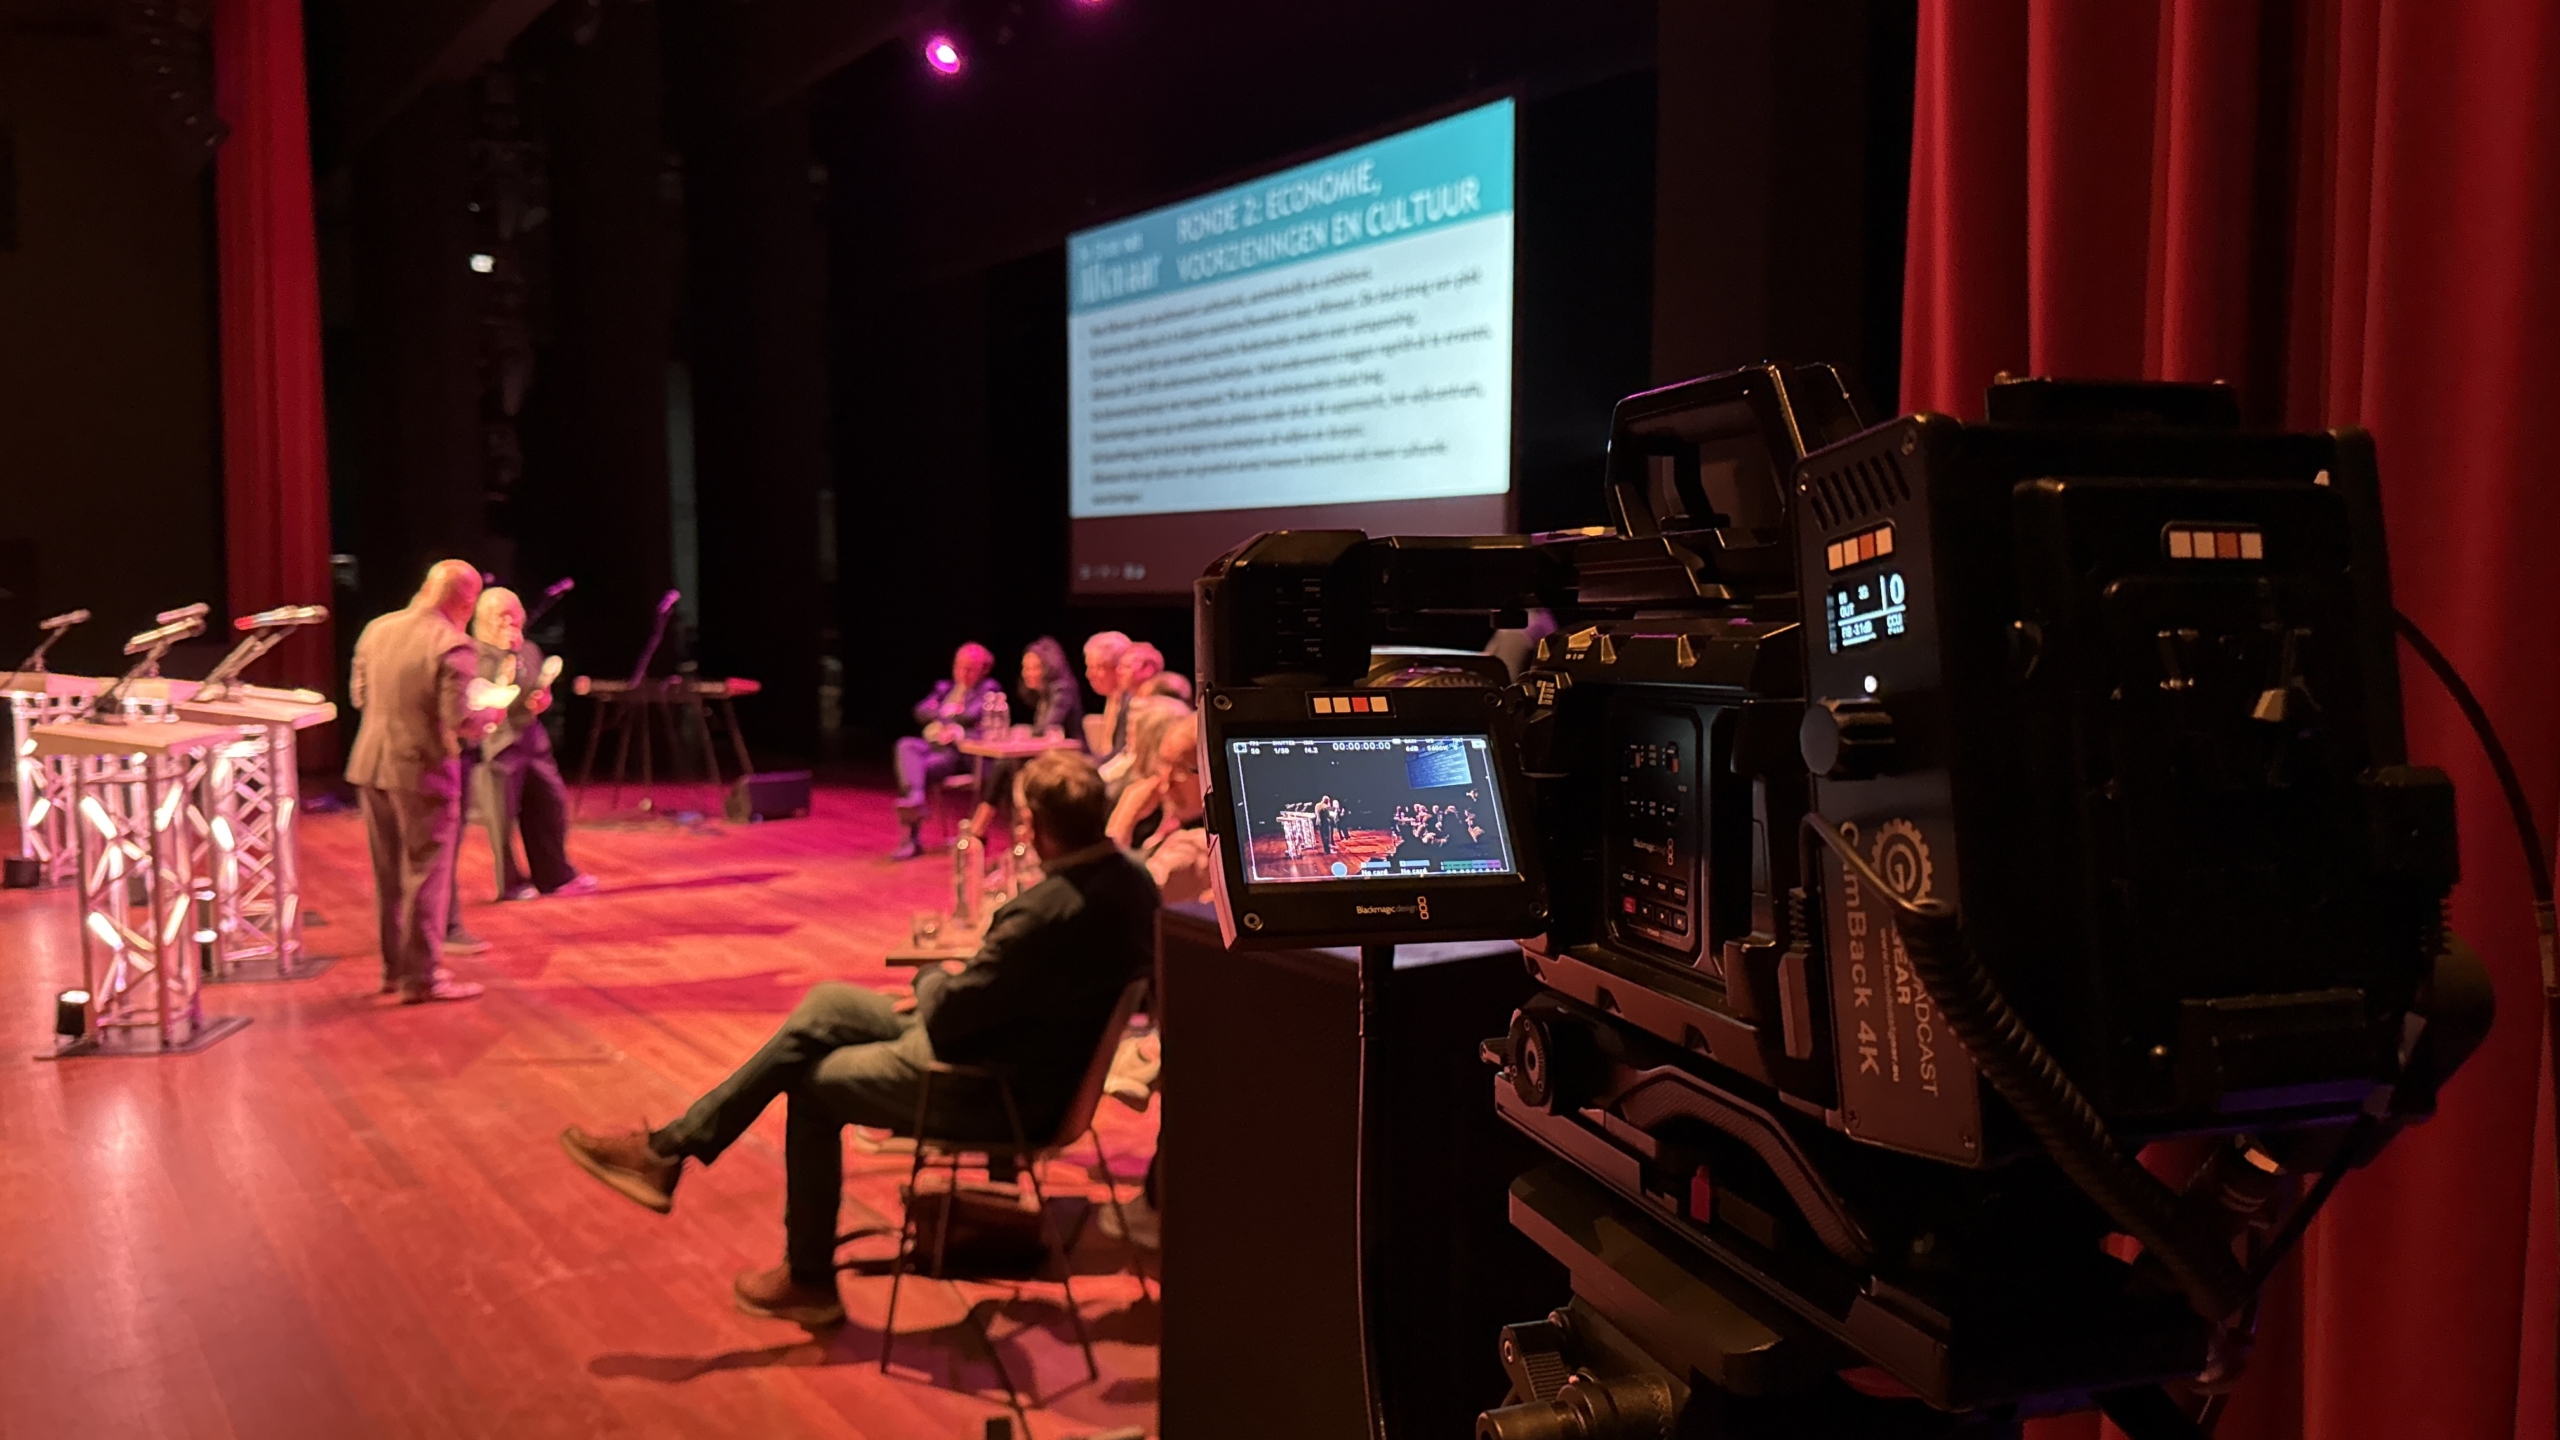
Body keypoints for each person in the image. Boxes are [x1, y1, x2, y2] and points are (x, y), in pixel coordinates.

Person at [559, 751, 1158, 1326]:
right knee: (828, 1003)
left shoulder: (1042, 914)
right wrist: (951, 989)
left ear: (1031, 822)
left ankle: (808, 1280)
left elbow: (949, 1014)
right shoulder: (1132, 884)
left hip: (993, 1086)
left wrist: (930, 975)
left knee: (817, 1086)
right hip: (1016, 1053)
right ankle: (670, 1149)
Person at [346, 560, 506, 1004]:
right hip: (421, 771)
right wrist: (493, 713)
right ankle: (423, 978)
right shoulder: (453, 645)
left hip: (370, 764)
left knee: (389, 873)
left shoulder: (377, 630)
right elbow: (462, 721)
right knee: (425, 871)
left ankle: (394, 972)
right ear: (466, 601)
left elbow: (360, 696)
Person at [472, 586, 597, 902]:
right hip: (497, 744)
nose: (509, 624)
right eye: (502, 617)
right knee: (501, 818)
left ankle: (554, 875)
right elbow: (487, 693)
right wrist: (505, 658)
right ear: (484, 619)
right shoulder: (475, 653)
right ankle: (510, 883)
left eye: (514, 616)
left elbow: (531, 693)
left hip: (531, 740)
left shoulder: (529, 649)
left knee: (551, 804)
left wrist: (542, 698)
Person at [964, 636, 1088, 840]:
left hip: (1073, 756)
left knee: (1009, 763)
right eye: (1025, 667)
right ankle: (1009, 833)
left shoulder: (1062, 689)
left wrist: (1023, 733)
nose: (1027, 673)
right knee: (1008, 764)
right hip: (1050, 754)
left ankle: (987, 828)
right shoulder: (1044, 693)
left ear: (1049, 667)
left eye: (1034, 668)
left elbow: (1046, 728)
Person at [892, 642, 1001, 859]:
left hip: (958, 754)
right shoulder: (945, 688)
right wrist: (946, 717)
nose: (963, 673)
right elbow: (921, 710)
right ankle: (916, 798)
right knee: (905, 745)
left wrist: (946, 721)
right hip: (934, 747)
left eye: (970, 669)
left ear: (983, 670)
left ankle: (912, 838)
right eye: (959, 667)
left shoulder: (988, 690)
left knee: (914, 772)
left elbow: (971, 715)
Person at [1108, 710, 1211, 905]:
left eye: (1181, 769)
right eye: (1164, 763)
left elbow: (1112, 899)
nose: (1165, 783)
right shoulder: (1180, 820)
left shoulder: (1194, 847)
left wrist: (1123, 820)